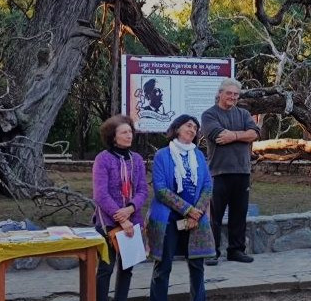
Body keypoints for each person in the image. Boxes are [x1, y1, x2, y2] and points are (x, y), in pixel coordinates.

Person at [147, 114, 214, 301]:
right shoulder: (162, 155)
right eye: (189, 125)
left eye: (195, 128)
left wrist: (196, 213)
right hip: (168, 219)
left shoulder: (199, 155)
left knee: (197, 267)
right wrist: (187, 210)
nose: (193, 130)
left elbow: (208, 186)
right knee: (163, 267)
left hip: (195, 220)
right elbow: (160, 189)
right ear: (177, 128)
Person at [201, 78, 260, 265]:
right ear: (220, 93)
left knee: (239, 214)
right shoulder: (209, 115)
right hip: (218, 173)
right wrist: (243, 135)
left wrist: (233, 135)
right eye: (229, 93)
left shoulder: (243, 113)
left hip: (242, 172)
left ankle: (236, 250)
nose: (232, 97)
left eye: (236, 94)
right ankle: (212, 251)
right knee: (214, 215)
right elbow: (218, 136)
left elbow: (255, 133)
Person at [92, 115, 149, 301]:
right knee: (106, 268)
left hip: (133, 221)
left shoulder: (137, 159)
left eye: (130, 131)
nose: (129, 135)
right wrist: (121, 218)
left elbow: (142, 190)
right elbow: (100, 194)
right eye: (124, 132)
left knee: (127, 268)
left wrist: (131, 209)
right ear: (113, 136)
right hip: (108, 222)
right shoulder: (103, 159)